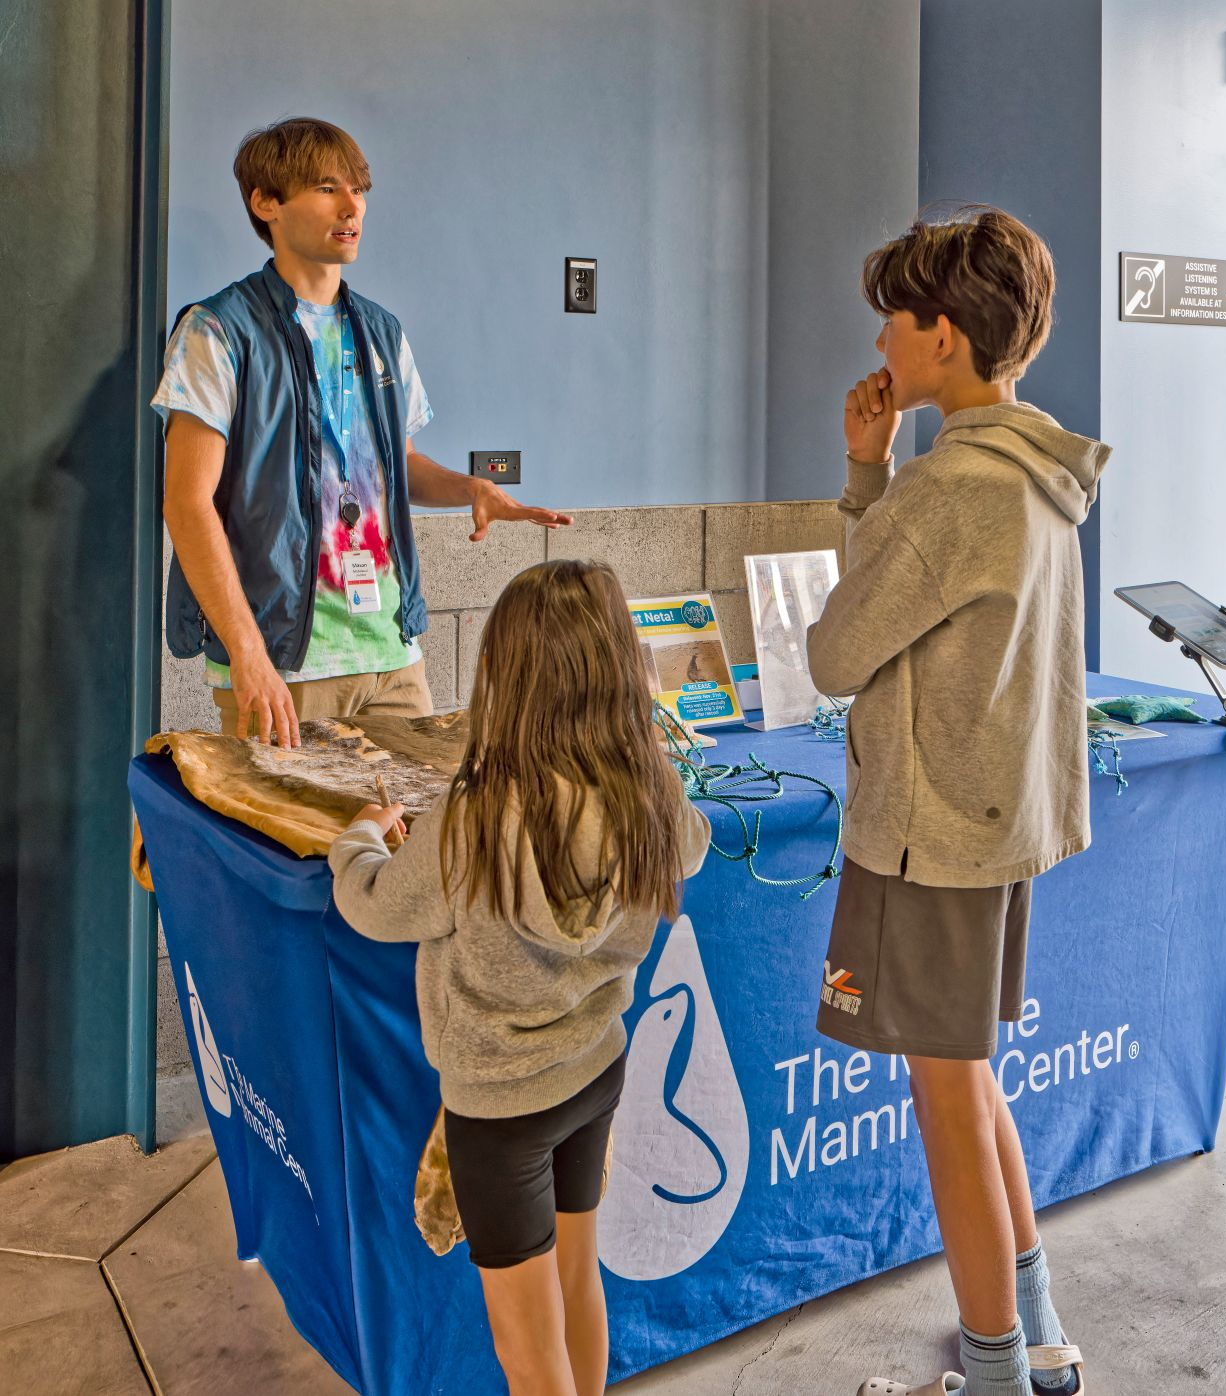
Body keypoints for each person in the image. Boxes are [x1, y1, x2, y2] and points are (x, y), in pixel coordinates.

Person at [806, 206, 1109, 1396]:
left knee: (943, 1099)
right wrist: (877, 474)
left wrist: (863, 484)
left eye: (895, 314)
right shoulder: (1040, 467)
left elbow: (837, 653)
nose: (880, 336)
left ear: (941, 334)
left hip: (928, 837)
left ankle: (989, 1375)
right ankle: (1032, 1332)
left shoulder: (944, 492)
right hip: (998, 827)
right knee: (969, 1073)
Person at [328, 560, 711, 1396]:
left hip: (499, 1110)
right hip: (595, 1074)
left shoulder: (475, 814)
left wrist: (359, 837)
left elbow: (376, 908)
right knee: (580, 1283)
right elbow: (692, 845)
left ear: (507, 675)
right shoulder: (653, 790)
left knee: (526, 1351)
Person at [154, 116, 572, 748]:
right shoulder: (217, 331)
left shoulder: (381, 331)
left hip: (391, 657)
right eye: (327, 188)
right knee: (293, 845)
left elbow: (398, 467)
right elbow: (187, 503)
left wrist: (471, 488)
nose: (354, 207)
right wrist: (246, 653)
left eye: (360, 189)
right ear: (265, 203)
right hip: (284, 663)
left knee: (409, 837)